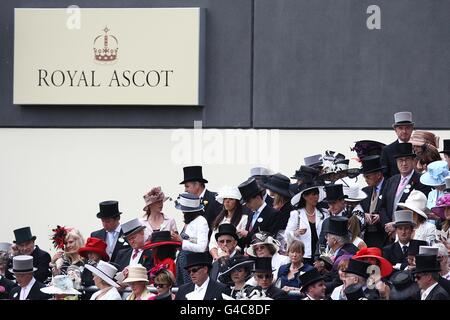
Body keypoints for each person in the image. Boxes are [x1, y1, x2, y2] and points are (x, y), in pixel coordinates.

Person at [379, 143, 432, 239]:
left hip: (409, 233)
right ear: (396, 162)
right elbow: (382, 206)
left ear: (413, 160)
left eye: (407, 159)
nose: (404, 163)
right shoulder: (391, 180)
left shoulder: (421, 180)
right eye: (400, 160)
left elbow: (418, 210)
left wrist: (396, 225)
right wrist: (387, 225)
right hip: (389, 234)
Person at [172, 192, 209, 286]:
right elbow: (194, 240)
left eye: (184, 211)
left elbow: (202, 246)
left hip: (193, 265)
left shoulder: (201, 221)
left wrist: (182, 241)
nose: (183, 213)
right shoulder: (189, 222)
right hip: (182, 262)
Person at [287, 180, 327, 265]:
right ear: (305, 196)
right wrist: (296, 233)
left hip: (321, 254)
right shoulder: (296, 214)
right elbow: (287, 235)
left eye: (317, 194)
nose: (316, 197)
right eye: (313, 194)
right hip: (303, 255)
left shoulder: (324, 213)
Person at [237, 178, 279, 248]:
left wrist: (248, 234)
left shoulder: (272, 214)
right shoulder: (251, 213)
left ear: (258, 198)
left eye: (249, 202)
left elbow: (270, 237)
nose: (247, 205)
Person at [209, 186, 247, 260]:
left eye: (231, 199)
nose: (227, 201)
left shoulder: (244, 219)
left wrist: (229, 254)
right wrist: (216, 257)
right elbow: (212, 243)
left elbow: (241, 243)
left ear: (236, 202)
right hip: (218, 258)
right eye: (225, 199)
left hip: (234, 257)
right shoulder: (219, 220)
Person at [360, 155, 387, 248]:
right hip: (368, 238)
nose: (366, 180)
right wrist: (364, 216)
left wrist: (381, 217)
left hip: (384, 237)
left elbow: (392, 209)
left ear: (378, 175)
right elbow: (359, 210)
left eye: (368, 177)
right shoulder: (365, 191)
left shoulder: (390, 187)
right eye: (364, 177)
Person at [380, 111, 415, 178]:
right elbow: (385, 175)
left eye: (407, 128)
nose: (404, 131)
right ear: (395, 130)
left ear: (412, 129)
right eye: (400, 128)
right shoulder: (387, 150)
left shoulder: (418, 148)